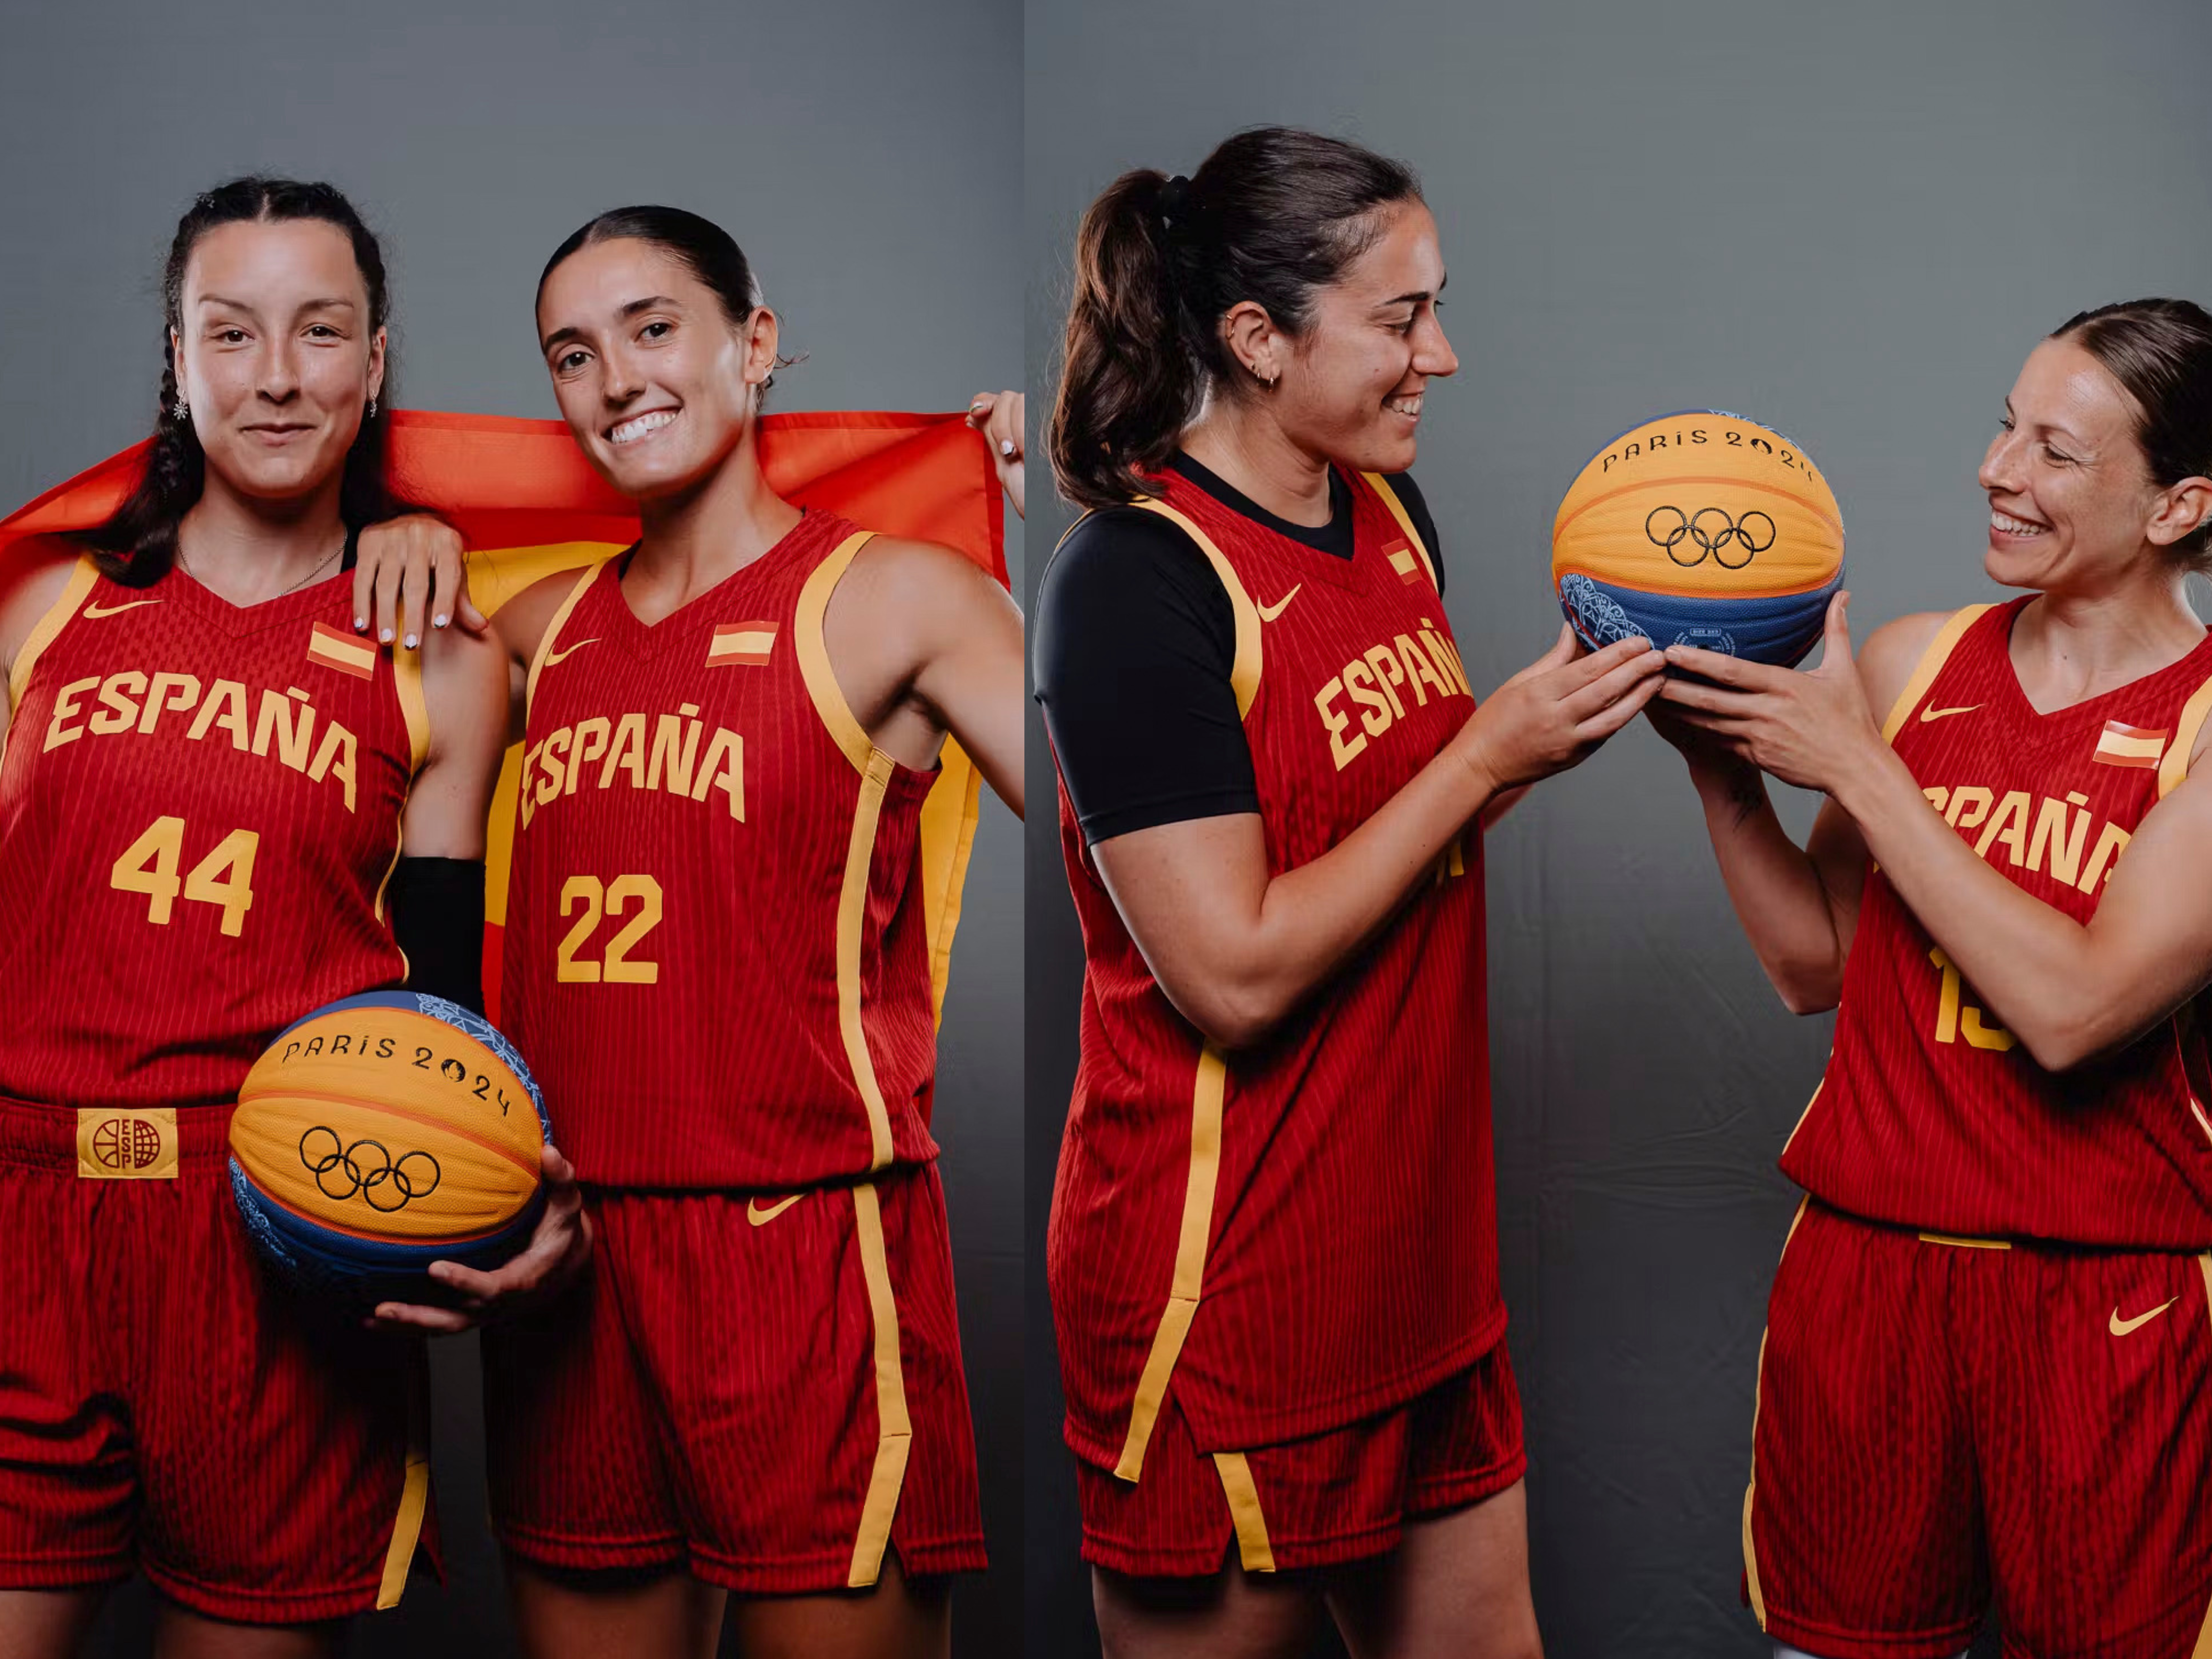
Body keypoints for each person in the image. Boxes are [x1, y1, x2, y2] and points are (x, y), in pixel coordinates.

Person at [1034, 127, 1666, 1659]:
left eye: (1435, 307)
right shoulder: (1135, 582)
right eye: (1400, 319)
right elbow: (1233, 972)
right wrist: (1479, 759)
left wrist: (1569, 721)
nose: (1439, 355)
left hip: (1418, 1264)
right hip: (1228, 1291)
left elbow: (1396, 835)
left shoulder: (1388, 518)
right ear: (1258, 338)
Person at [372, 205, 1023, 1659]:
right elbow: (337, 676)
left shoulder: (902, 599)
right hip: (570, 1253)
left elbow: (1146, 843)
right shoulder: (538, 631)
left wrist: (1085, 513)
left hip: (802, 1251)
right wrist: (399, 522)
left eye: (653, 328)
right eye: (573, 353)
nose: (616, 378)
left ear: (758, 342)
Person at [0, 176, 584, 1658]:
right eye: (231, 332)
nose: (275, 376)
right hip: (22, 1220)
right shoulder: (46, 612)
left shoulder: (438, 661)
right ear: (179, 358)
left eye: (319, 333)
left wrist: (507, 1185)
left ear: (375, 362)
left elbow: (446, 1008)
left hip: (275, 1236)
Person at [1652, 299, 2212, 1659]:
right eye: (2005, 426)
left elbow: (2077, 1013)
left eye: (2058, 453)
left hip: (2107, 1299)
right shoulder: (1912, 664)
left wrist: (1856, 768)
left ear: (2178, 504)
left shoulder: (2202, 723)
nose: (1999, 470)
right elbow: (1815, 968)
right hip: (1869, 1277)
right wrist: (1719, 768)